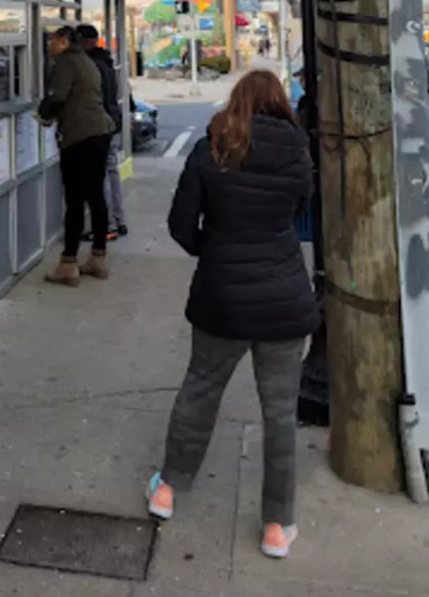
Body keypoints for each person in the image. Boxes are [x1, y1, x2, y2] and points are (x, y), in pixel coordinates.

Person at [146, 69, 319, 561]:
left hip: (221, 295)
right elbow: (299, 216)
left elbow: (181, 225)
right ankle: (277, 527)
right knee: (280, 412)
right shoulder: (297, 152)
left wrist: (215, 249)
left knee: (199, 390)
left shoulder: (211, 146)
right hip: (284, 295)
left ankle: (167, 492)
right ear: (280, 103)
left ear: (237, 100)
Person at [38, 26, 115, 287]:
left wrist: (42, 114)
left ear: (63, 41)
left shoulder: (66, 62)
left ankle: (68, 263)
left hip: (80, 135)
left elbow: (58, 96)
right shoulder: (87, 60)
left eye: (52, 42)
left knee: (74, 199)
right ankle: (97, 258)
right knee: (95, 196)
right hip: (100, 131)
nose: (49, 47)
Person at [76, 24, 129, 240]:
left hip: (99, 125)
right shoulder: (107, 62)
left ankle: (105, 226)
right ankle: (119, 221)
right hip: (113, 122)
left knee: (100, 176)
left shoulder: (90, 66)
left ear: (85, 41)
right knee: (112, 171)